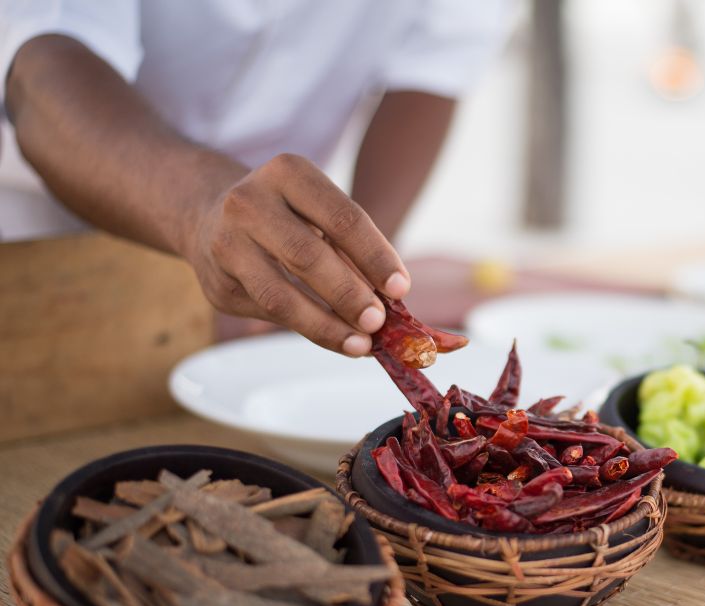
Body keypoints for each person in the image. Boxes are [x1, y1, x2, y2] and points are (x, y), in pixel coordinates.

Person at [0, 1, 512, 355]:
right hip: (42, 246)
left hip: (279, 247)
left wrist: (354, 282)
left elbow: (436, 61)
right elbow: (41, 67)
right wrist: (202, 209)